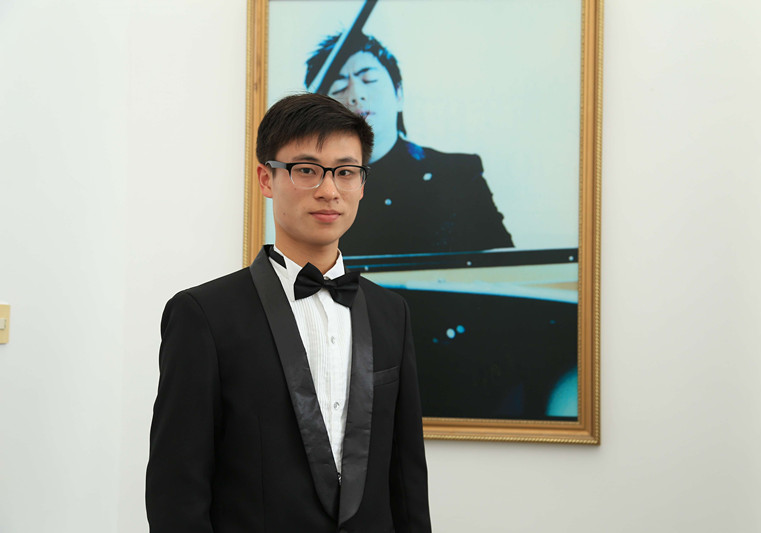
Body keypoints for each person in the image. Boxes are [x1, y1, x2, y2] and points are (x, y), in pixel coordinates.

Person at [146, 93, 432, 532]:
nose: (329, 190)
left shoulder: (392, 313)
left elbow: (406, 479)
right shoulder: (203, 316)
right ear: (266, 178)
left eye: (346, 172)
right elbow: (176, 491)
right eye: (306, 170)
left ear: (361, 183)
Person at [306, 32, 514, 256]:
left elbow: (502, 270)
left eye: (369, 79)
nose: (356, 95)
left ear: (399, 95)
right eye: (338, 87)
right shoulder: (309, 186)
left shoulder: (457, 174)